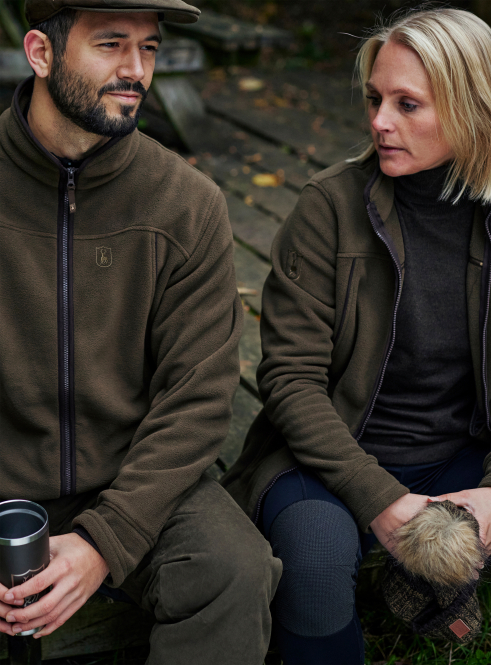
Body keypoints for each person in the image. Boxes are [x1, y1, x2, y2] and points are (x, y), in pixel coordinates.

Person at [223, 7, 491, 665]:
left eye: (407, 104)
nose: (378, 121)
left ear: (471, 108)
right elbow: (289, 380)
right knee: (315, 561)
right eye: (375, 99)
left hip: (458, 456)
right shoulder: (328, 207)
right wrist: (381, 500)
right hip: (327, 462)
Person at [0, 0, 281, 662]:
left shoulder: (187, 204)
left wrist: (104, 540)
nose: (136, 70)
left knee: (233, 570)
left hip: (132, 480)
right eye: (111, 44)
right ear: (40, 53)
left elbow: (198, 397)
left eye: (148, 47)